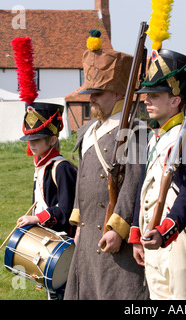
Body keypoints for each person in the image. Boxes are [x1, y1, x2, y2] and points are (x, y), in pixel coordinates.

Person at [64, 30, 149, 300]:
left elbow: (133, 181)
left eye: (98, 93)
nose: (91, 98)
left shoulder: (135, 130)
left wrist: (117, 227)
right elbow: (82, 180)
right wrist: (77, 225)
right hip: (89, 231)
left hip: (113, 233)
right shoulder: (88, 131)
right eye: (91, 93)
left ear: (116, 94)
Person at [128, 49, 186, 299]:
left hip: (177, 238)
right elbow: (145, 188)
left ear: (175, 100)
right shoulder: (155, 139)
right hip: (152, 239)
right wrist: (136, 232)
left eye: (154, 95)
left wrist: (166, 230)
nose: (146, 101)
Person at [17, 102, 77, 300]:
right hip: (48, 237)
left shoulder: (61, 168)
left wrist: (38, 219)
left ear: (52, 140)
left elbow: (67, 209)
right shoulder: (41, 166)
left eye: (37, 139)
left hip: (64, 241)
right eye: (29, 139)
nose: (31, 144)